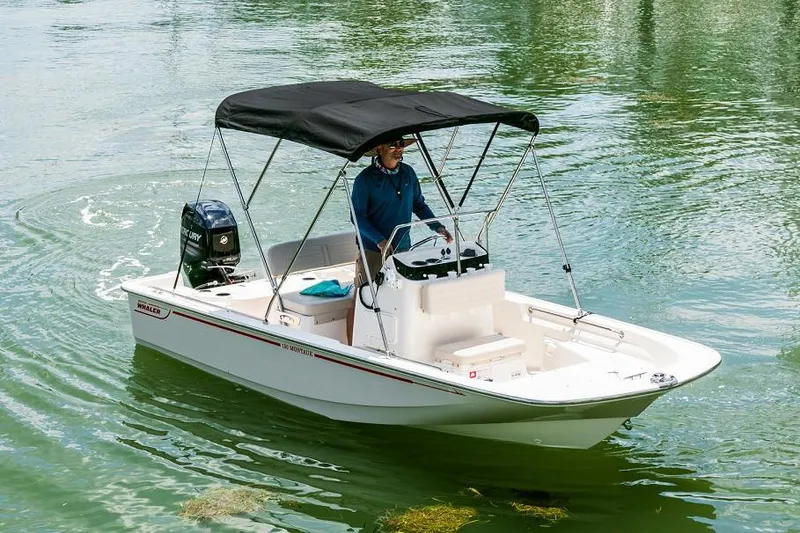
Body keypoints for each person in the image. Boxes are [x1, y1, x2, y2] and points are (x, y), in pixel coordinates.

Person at [346, 136, 452, 344]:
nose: (399, 149)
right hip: (373, 252)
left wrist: (438, 226)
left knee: (399, 299)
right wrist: (380, 241)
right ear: (379, 148)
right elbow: (356, 217)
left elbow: (418, 204)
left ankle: (393, 343)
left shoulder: (408, 173)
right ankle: (351, 346)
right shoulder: (365, 180)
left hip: (403, 251)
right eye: (393, 145)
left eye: (401, 144)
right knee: (363, 298)